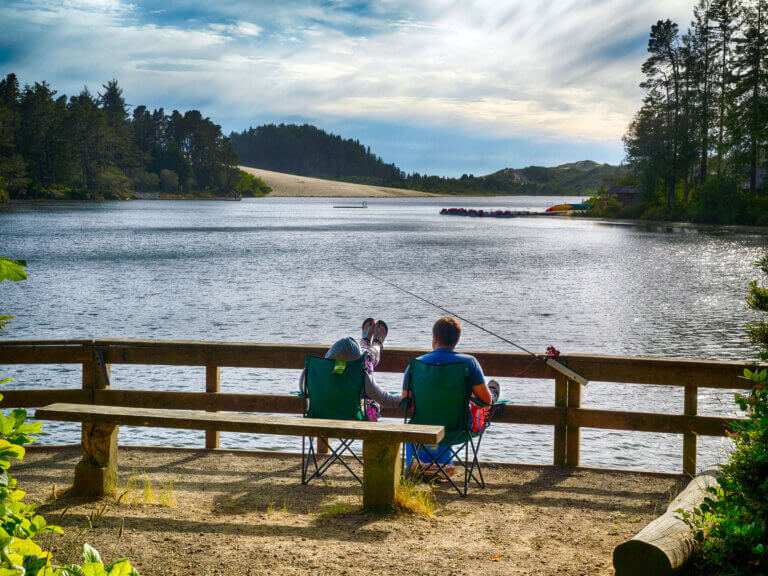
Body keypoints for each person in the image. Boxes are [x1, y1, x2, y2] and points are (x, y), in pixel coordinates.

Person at [403, 316, 500, 475]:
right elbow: (486, 401)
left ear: (435, 338)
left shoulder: (415, 365)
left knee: (413, 419)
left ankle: (418, 464)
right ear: (456, 340)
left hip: (422, 428)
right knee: (489, 399)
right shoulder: (469, 363)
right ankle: (494, 390)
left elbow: (406, 399)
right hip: (459, 429)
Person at [300, 318, 401, 420]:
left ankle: (365, 342)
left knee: (360, 362)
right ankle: (376, 345)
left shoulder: (311, 371)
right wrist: (408, 398)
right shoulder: (362, 377)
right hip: (352, 420)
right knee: (367, 360)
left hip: (319, 418)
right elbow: (387, 400)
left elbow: (303, 390)